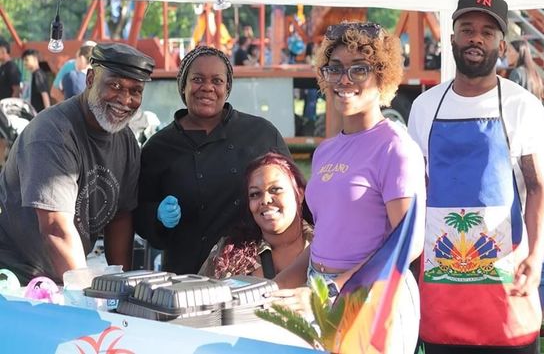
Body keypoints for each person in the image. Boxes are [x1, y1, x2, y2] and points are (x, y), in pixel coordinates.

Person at [407, 0, 544, 353]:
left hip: (506, 284)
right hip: (442, 285)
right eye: (467, 29)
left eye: (488, 32)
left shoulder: (523, 106)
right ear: (451, 37)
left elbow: (538, 188)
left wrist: (535, 258)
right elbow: (415, 191)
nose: (476, 37)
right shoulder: (424, 107)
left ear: (501, 45)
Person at [273, 21, 426, 353]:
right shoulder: (326, 150)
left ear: (382, 76)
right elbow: (326, 239)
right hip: (321, 296)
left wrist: (332, 289)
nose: (344, 80)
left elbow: (407, 245)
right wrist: (273, 288)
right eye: (336, 69)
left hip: (373, 300)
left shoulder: (395, 148)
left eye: (360, 70)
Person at [0, 43, 155, 284]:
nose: (125, 99)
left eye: (135, 91)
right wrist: (86, 296)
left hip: (63, 276)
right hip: (15, 278)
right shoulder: (52, 132)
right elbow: (55, 228)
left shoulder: (125, 140)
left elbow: (120, 217)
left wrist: (121, 287)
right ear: (91, 79)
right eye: (115, 86)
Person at [134, 46, 290, 275]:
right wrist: (157, 215)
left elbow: (295, 196)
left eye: (217, 80)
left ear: (227, 88)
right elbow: (139, 214)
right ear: (183, 85)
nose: (207, 87)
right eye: (197, 79)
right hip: (185, 273)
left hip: (254, 272)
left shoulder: (260, 133)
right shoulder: (158, 148)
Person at [199, 152, 312, 279]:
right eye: (255, 194)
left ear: (300, 194)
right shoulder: (227, 252)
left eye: (275, 190)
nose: (265, 200)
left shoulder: (326, 244)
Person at [22, 49, 50, 113]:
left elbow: (44, 94)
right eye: (24, 60)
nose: (25, 63)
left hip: (39, 114)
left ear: (35, 59)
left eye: (26, 59)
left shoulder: (38, 74)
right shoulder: (34, 74)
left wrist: (47, 113)